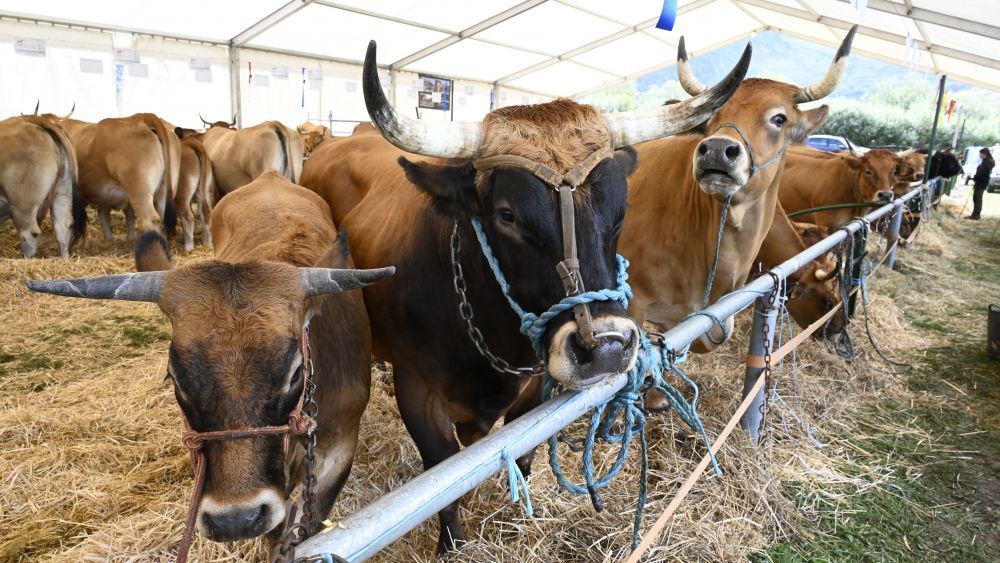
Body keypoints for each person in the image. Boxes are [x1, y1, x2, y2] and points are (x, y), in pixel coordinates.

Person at [968, 148, 995, 220]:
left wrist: (975, 178)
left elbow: (981, 172)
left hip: (981, 182)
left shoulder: (986, 162)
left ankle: (976, 214)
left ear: (984, 154)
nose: (979, 155)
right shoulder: (988, 161)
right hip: (983, 181)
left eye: (980, 153)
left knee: (977, 198)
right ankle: (976, 213)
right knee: (978, 198)